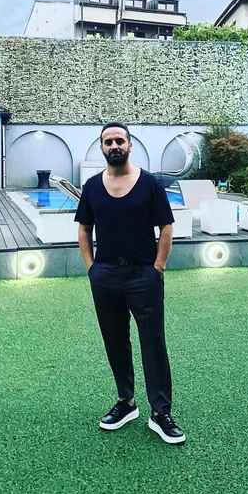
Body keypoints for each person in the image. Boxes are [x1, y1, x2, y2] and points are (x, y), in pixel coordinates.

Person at [74, 122, 185, 445]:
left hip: (143, 275)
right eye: (108, 141)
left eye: (119, 140)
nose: (114, 146)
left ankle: (160, 412)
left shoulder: (150, 184)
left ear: (130, 145)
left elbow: (166, 227)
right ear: (101, 147)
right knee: (115, 340)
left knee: (153, 342)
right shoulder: (92, 187)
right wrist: (91, 268)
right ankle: (127, 402)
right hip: (105, 275)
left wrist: (158, 267)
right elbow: (84, 229)